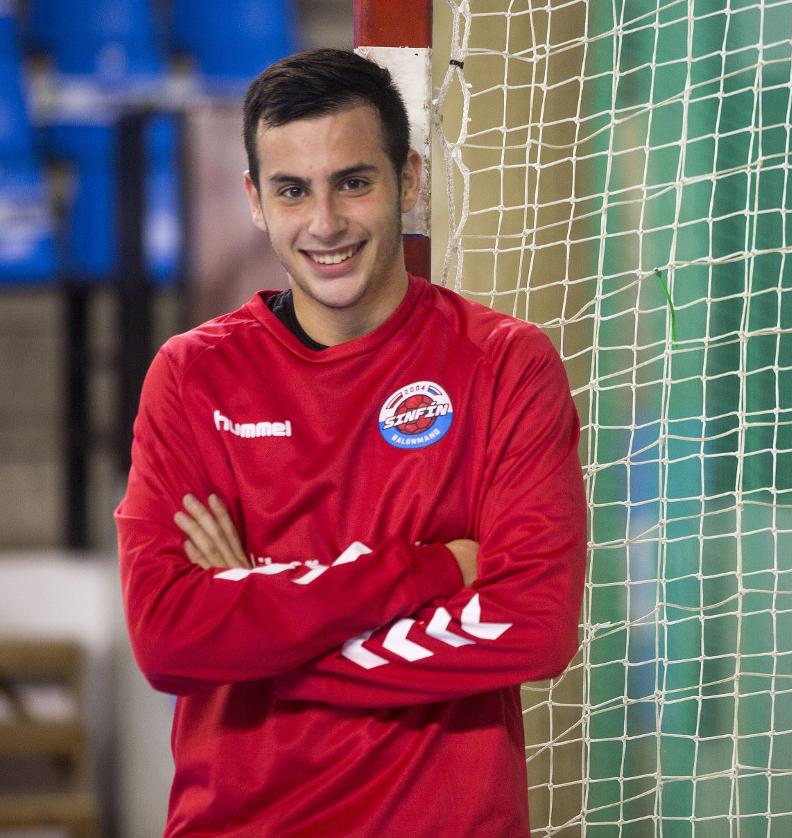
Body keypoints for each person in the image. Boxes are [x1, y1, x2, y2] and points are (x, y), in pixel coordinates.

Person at [116, 48, 587, 836]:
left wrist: (262, 628)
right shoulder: (195, 377)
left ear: (408, 180)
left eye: (354, 182)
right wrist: (432, 567)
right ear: (256, 201)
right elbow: (169, 638)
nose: (325, 223)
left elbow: (533, 626)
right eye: (293, 190)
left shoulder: (505, 364)